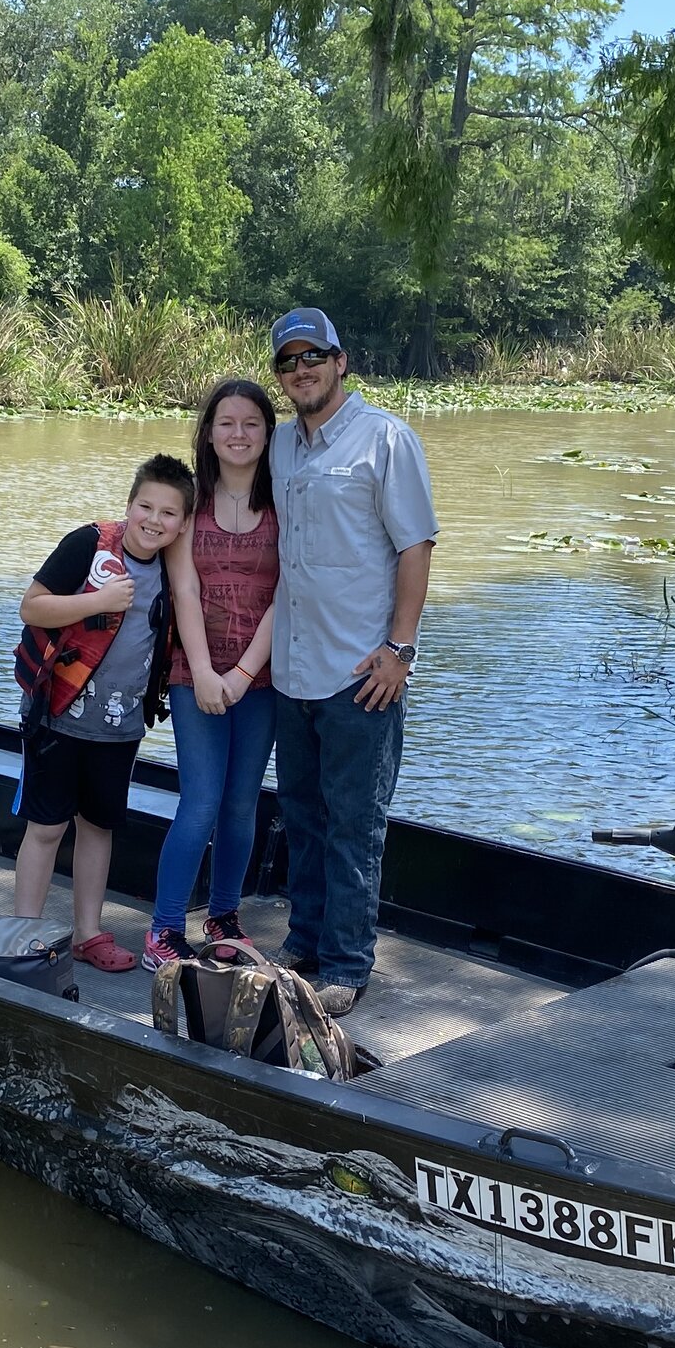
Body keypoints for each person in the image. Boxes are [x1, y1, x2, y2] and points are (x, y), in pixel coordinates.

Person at [265, 306, 437, 1017]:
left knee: (355, 823)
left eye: (314, 355)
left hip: (360, 672)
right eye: (288, 360)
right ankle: (304, 939)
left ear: (341, 361)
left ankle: (344, 961)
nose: (301, 368)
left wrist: (400, 650)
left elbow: (416, 545)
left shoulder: (385, 439)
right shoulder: (278, 446)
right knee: (300, 816)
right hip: (292, 668)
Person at [10, 454, 196, 972]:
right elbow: (33, 607)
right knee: (46, 827)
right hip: (57, 714)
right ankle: (26, 935)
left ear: (184, 523)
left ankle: (87, 933)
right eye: (145, 506)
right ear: (129, 503)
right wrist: (99, 601)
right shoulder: (88, 543)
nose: (154, 521)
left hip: (120, 728)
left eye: (169, 513)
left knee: (98, 826)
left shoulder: (175, 569)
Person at [144, 378, 282, 971]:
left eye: (251, 423)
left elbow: (290, 591)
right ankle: (164, 930)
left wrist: (245, 670)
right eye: (226, 422)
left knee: (242, 804)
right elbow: (184, 588)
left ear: (268, 433)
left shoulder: (286, 501)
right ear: (208, 432)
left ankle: (224, 919)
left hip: (265, 674)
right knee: (200, 800)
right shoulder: (189, 501)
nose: (238, 434)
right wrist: (202, 671)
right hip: (193, 670)